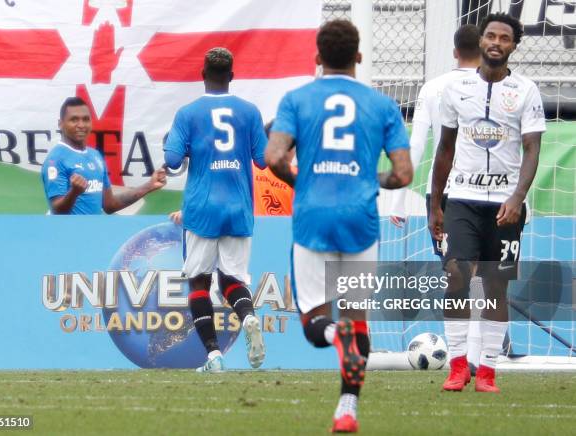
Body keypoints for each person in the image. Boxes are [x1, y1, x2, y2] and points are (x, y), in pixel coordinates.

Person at [265, 20, 412, 433]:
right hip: (360, 218)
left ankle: (335, 336)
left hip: (313, 216)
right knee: (357, 317)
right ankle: (347, 409)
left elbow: (274, 157)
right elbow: (403, 174)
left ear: (317, 58)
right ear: (359, 58)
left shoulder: (296, 99)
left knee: (315, 322)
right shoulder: (382, 105)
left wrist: (304, 182)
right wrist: (370, 180)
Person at [429, 13, 545, 393]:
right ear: (480, 41)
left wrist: (517, 197)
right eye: (490, 35)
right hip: (463, 199)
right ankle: (458, 367)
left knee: (496, 286)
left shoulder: (526, 91)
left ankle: (489, 372)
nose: (496, 42)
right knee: (457, 276)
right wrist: (436, 205)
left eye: (504, 38)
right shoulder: (456, 89)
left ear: (514, 45)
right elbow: (444, 149)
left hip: (505, 206)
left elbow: (532, 150)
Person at [389, 25, 485, 372]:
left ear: (454, 51)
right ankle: (478, 355)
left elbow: (415, 146)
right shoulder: (497, 87)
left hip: (443, 191)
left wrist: (400, 199)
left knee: (457, 274)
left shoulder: (433, 88)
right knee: (482, 275)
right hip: (487, 190)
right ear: (486, 48)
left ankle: (467, 356)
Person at [163, 47, 267, 373]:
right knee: (231, 280)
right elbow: (263, 160)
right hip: (238, 208)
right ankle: (248, 316)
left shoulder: (188, 113)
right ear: (232, 77)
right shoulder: (249, 112)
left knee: (198, 283)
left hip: (202, 209)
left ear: (202, 75)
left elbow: (172, 161)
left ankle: (213, 356)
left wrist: (184, 145)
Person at [42, 97, 166, 214]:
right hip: (68, 234)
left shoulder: (95, 155)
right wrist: (74, 192)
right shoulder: (56, 159)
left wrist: (149, 185)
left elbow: (109, 204)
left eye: (86, 119)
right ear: (60, 124)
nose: (81, 125)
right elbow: (57, 210)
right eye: (74, 119)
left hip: (94, 233)